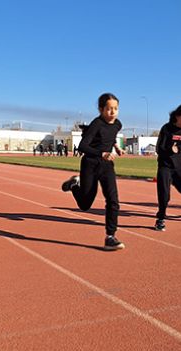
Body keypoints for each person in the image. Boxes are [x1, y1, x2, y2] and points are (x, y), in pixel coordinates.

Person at [61, 93, 125, 250]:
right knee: (84, 204)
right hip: (90, 164)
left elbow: (111, 135)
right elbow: (83, 146)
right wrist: (101, 153)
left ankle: (110, 236)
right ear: (101, 109)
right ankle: (74, 185)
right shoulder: (96, 124)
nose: (113, 112)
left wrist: (116, 146)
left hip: (107, 165)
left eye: (116, 108)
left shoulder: (118, 124)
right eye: (109, 109)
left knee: (113, 200)